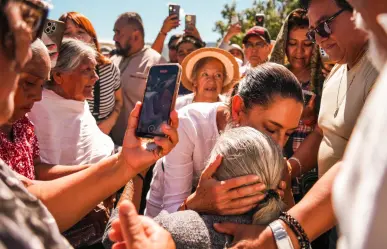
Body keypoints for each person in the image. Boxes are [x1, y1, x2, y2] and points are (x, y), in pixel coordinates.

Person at [0, 1, 178, 248]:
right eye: (29, 82)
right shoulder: (36, 114)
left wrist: (123, 163)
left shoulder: (23, 127)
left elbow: (29, 194)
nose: (38, 97)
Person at [210, 0, 381, 248]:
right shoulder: (336, 73)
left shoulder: (380, 71)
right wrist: (288, 169)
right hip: (329, 219)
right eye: (314, 32)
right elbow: (322, 134)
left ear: (357, 9)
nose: (319, 39)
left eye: (324, 26)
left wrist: (278, 236)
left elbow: (359, 162)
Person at [145, 63, 303, 218]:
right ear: (238, 108)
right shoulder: (188, 124)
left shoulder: (275, 151)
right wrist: (197, 202)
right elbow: (170, 212)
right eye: (270, 129)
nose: (279, 145)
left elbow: (289, 229)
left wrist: (284, 191)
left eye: (288, 133)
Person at [105, 127, 286, 249]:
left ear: (214, 169)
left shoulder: (176, 229)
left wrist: (135, 175)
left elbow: (112, 238)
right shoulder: (288, 233)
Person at [270, 8, 326, 204]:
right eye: (292, 44)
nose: (299, 52)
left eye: (307, 44)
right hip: (274, 174)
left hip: (313, 176)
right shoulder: (274, 79)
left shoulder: (325, 79)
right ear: (283, 45)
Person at [28, 39, 114, 166]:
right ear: (58, 76)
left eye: (94, 69)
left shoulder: (77, 101)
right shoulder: (39, 108)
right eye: (86, 70)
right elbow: (42, 172)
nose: (96, 77)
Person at [59, 12, 123, 135]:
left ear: (91, 37)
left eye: (80, 32)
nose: (75, 39)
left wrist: (110, 121)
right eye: (67, 33)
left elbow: (119, 101)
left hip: (104, 138)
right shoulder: (54, 72)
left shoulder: (109, 68)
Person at [111, 12, 166, 146]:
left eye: (119, 33)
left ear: (136, 35)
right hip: (108, 148)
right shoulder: (112, 61)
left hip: (138, 151)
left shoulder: (156, 62)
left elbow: (160, 116)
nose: (114, 38)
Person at [175, 47, 240, 110]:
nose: (211, 81)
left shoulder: (231, 109)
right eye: (205, 74)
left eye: (218, 75)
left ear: (223, 80)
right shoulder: (177, 107)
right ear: (195, 80)